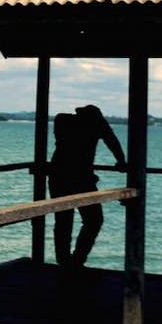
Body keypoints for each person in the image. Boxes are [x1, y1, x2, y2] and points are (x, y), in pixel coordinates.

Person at [47, 104, 126, 267]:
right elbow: (112, 141)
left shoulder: (62, 120)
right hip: (81, 179)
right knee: (93, 219)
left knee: (64, 220)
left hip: (59, 176)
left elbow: (111, 140)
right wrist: (121, 161)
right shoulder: (95, 125)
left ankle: (66, 262)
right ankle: (75, 261)